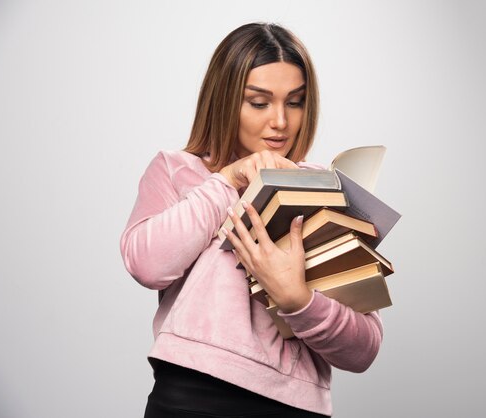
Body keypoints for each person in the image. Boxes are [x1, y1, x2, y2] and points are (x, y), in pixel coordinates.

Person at [120, 22, 383, 418]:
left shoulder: (323, 189)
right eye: (259, 102)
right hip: (192, 395)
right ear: (224, 101)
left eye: (295, 101)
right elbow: (147, 265)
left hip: (293, 405)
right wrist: (227, 180)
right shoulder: (179, 171)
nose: (280, 121)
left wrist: (298, 301)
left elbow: (364, 349)